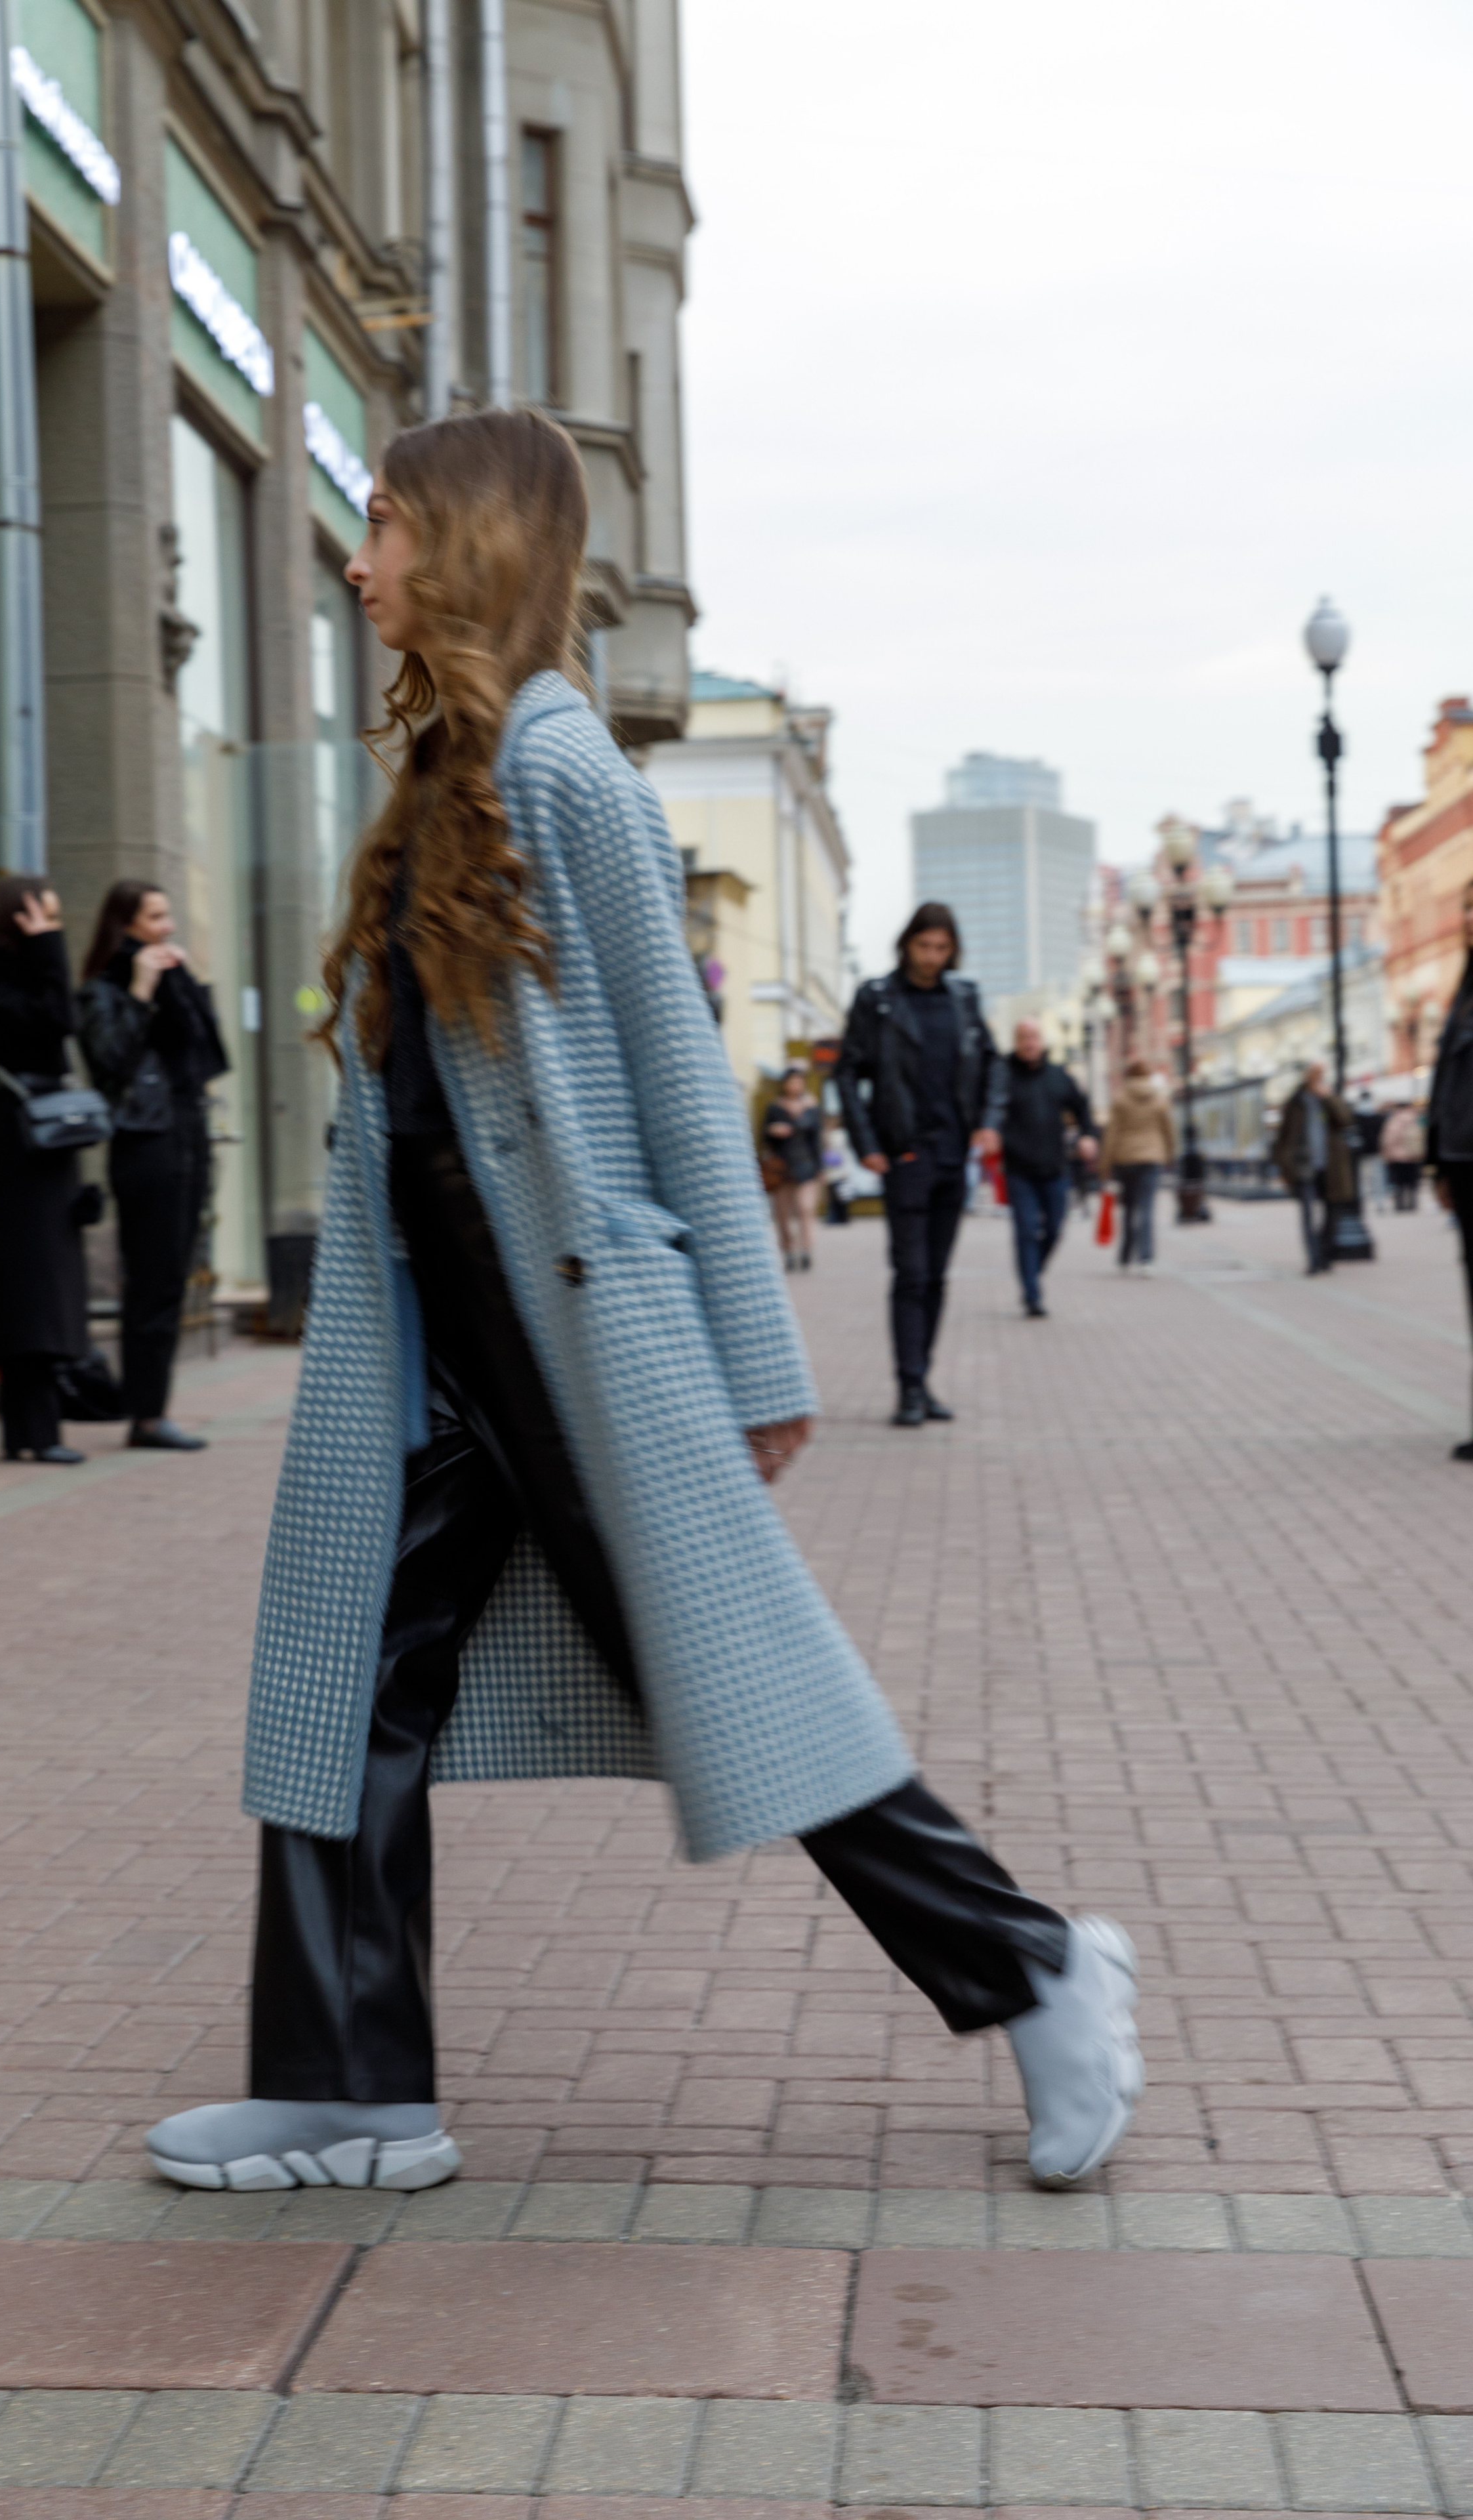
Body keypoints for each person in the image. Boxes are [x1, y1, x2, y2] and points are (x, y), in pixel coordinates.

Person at [140, 409, 1140, 2200]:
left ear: (467, 541)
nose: (356, 561)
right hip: (444, 1348)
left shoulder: (564, 768)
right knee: (343, 1683)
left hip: (574, 1338)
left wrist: (754, 1353)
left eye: (382, 524)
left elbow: (679, 1074)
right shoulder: (449, 772)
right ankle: (349, 2089)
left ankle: (1036, 1964)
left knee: (733, 1681)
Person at [835, 903, 1004, 1427]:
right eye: (924, 946)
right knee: (911, 1274)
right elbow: (846, 1073)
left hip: (955, 1155)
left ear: (953, 951)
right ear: (907, 944)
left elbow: (992, 1064)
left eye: (941, 948)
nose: (932, 957)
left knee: (935, 1276)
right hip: (905, 1154)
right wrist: (866, 1142)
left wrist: (989, 1121)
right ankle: (908, 1387)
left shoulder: (964, 997)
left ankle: (922, 1380)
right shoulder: (878, 999)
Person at [77, 883, 228, 1451]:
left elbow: (212, 1057)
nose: (168, 926)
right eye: (156, 916)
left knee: (172, 1279)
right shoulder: (100, 991)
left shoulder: (171, 981)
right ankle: (146, 1416)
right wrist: (140, 991)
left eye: (168, 915)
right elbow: (109, 1062)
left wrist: (183, 982)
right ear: (127, 925)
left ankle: (151, 1410)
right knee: (151, 1281)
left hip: (187, 1138)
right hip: (145, 1144)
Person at [0, 875, 90, 1465]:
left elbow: (63, 1020)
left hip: (46, 1136)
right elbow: (58, 1022)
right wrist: (49, 950)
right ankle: (32, 1431)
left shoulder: (26, 973)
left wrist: (46, 953)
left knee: (49, 1282)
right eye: (46, 918)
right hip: (20, 1139)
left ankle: (36, 1430)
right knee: (28, 1284)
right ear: (19, 918)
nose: (55, 929)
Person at [1000, 1018, 1096, 1318]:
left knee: (1055, 1228)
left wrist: (1088, 1135)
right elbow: (986, 1111)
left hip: (1055, 1169)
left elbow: (1083, 1110)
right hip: (1019, 1170)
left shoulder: (1058, 1076)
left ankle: (1032, 1271)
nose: (1029, 1043)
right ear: (1016, 1041)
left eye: (1034, 1037)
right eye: (1023, 1037)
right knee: (1027, 1231)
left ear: (1042, 1041)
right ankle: (1032, 1294)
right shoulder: (1003, 1076)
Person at [1429, 880, 1473, 1459]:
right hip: (1463, 1159)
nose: (1471, 919)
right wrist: (1437, 1163)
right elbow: (1445, 1084)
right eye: (1468, 908)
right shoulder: (1463, 992)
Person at [1273, 1059, 1352, 1277]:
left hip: (1331, 1166)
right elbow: (1283, 1137)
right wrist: (1283, 1166)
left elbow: (1346, 1120)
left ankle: (1325, 1254)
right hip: (1304, 1166)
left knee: (1333, 1212)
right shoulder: (1296, 1101)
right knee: (1307, 1213)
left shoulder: (1328, 1097)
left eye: (1320, 1073)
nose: (1317, 1077)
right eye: (1314, 1073)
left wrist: (1329, 1098)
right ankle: (1314, 1259)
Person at [1100, 1058, 1176, 1277]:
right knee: (1147, 1209)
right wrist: (1171, 1155)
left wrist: (1104, 1164)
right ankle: (1146, 1259)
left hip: (1125, 1160)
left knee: (1129, 1210)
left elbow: (1112, 1134)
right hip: (1152, 1159)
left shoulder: (1121, 1099)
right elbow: (1169, 1130)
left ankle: (1125, 1258)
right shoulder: (1160, 1099)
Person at [760, 1064, 823, 1271]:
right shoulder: (775, 1108)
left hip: (806, 1166)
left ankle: (806, 1250)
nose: (795, 1085)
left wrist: (820, 1168)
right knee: (783, 1214)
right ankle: (788, 1250)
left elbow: (817, 1140)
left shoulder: (811, 1107)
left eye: (799, 1081)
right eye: (792, 1081)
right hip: (782, 1168)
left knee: (806, 1210)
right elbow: (763, 1137)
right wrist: (772, 1131)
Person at [1381, 1101, 1424, 1211]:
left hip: (1398, 1157)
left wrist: (1387, 1155)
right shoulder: (1416, 1118)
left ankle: (1400, 1205)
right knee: (1412, 1182)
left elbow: (1389, 1139)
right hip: (1414, 1155)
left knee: (1399, 1182)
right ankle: (1412, 1204)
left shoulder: (1395, 1120)